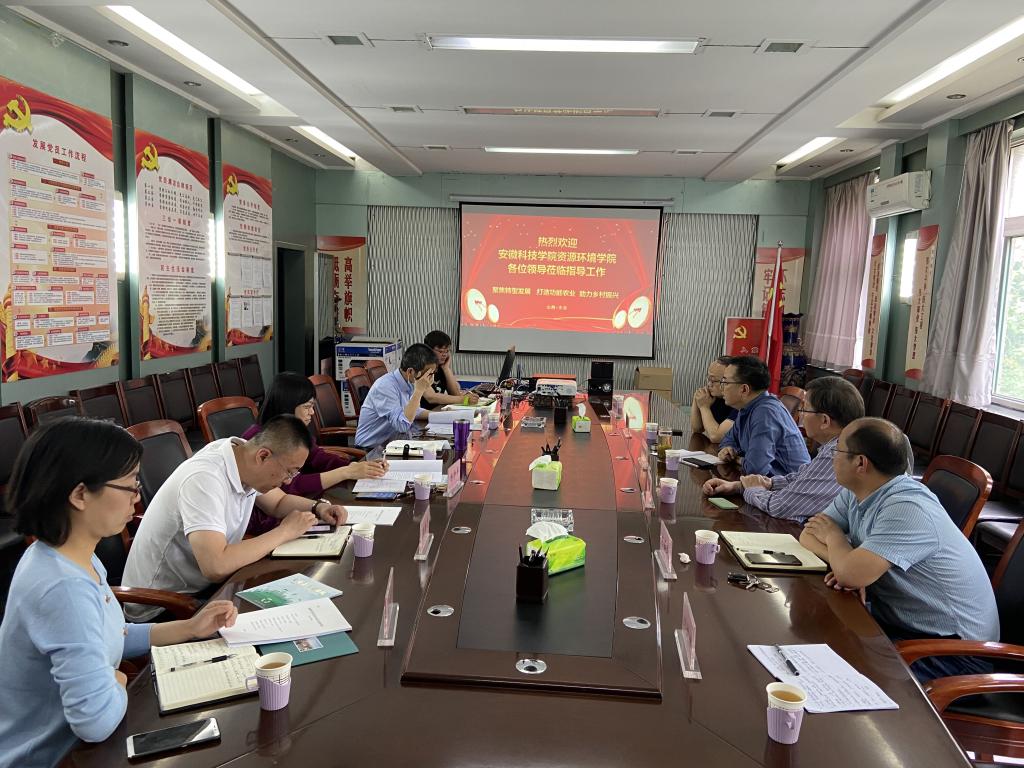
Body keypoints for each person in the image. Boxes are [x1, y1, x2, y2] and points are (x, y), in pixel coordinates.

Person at [0, 418, 238, 768]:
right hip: (58, 757)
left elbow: (111, 635)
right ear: (80, 494)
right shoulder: (63, 588)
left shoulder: (69, 555)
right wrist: (119, 680)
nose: (136, 498)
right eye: (129, 485)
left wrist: (189, 628)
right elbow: (94, 722)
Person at [800, 417, 999, 683]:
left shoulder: (907, 507)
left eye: (838, 450)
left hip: (956, 653)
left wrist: (837, 542)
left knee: (833, 677)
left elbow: (848, 573)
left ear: (861, 463)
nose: (832, 456)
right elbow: (808, 535)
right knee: (816, 643)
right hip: (904, 628)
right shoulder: (859, 490)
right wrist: (846, 562)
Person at [122, 415, 347, 621]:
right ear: (263, 456)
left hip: (207, 587)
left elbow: (278, 503)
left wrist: (318, 508)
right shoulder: (205, 479)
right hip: (163, 606)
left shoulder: (242, 457)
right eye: (289, 471)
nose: (289, 481)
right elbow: (215, 565)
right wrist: (284, 532)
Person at [241, 372, 389, 534]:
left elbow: (319, 457)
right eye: (307, 407)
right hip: (268, 524)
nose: (312, 412)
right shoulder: (257, 440)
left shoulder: (294, 434)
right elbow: (290, 487)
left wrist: (357, 467)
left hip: (302, 508)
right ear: (288, 406)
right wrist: (346, 472)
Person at [703, 376, 863, 524]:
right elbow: (799, 479)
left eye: (804, 410)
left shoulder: (839, 454)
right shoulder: (834, 447)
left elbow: (780, 506)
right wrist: (740, 486)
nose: (800, 416)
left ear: (825, 421)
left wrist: (752, 489)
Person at [716, 355, 810, 476]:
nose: (721, 388)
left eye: (725, 382)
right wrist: (727, 449)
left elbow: (755, 468)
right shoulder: (748, 407)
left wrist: (737, 458)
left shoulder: (765, 413)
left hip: (789, 484)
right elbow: (728, 440)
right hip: (765, 481)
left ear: (744, 389)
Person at [355, 343, 438, 448]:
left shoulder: (408, 382)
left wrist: (442, 416)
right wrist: (419, 391)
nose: (430, 379)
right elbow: (402, 425)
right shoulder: (385, 387)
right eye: (429, 374)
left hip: (393, 442)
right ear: (410, 371)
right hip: (371, 449)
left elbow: (413, 411)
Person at [421, 330, 479, 410]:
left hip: (436, 411)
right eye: (440, 351)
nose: (444, 354)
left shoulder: (441, 367)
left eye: (447, 351)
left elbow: (455, 394)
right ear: (428, 351)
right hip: (420, 414)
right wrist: (463, 399)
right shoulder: (421, 368)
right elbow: (431, 397)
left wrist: (446, 368)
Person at [690, 356, 736, 443]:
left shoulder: (738, 402)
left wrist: (704, 407)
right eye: (709, 379)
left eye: (714, 380)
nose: (709, 384)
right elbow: (697, 429)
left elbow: (716, 437)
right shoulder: (712, 396)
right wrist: (697, 399)